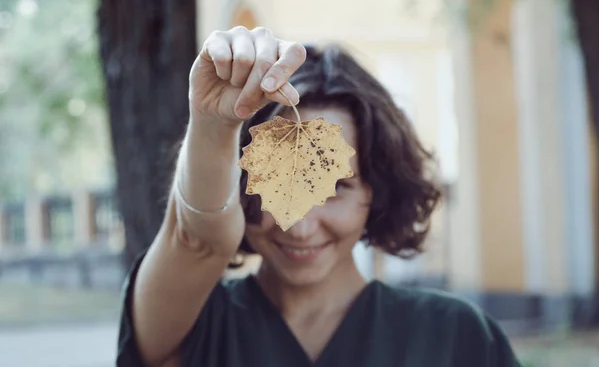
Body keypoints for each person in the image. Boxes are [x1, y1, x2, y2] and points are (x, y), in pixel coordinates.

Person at [116, 26, 522, 367]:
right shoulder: (188, 326)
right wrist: (213, 124)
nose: (300, 224)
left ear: (376, 190)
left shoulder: (455, 337)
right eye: (276, 183)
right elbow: (197, 241)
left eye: (334, 188)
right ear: (239, 187)